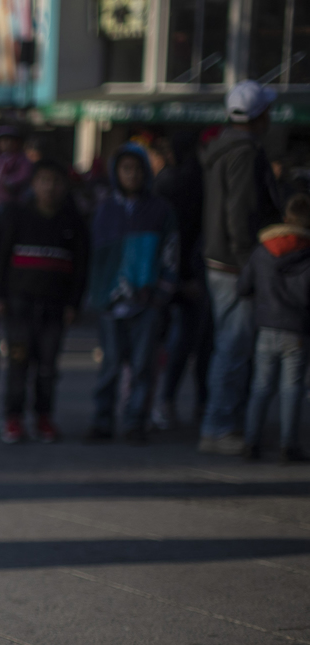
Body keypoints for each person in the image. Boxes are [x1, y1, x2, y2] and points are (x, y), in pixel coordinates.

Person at [199, 81, 282, 455]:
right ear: (259, 115)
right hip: (235, 265)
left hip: (221, 260)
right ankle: (219, 428)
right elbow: (242, 215)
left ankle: (222, 423)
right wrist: (250, 266)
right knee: (234, 348)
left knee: (229, 347)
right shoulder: (245, 153)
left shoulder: (222, 149)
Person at [85, 144, 178, 444]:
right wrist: (96, 294)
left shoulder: (160, 210)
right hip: (110, 301)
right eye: (126, 169)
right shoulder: (105, 211)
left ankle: (134, 421)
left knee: (142, 366)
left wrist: (163, 288)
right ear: (116, 173)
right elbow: (94, 257)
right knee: (110, 364)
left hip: (147, 299)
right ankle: (102, 420)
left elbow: (171, 252)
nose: (133, 175)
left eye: (138, 169)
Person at [0, 160, 89, 443]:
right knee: (18, 363)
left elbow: (82, 265)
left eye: (56, 182)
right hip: (19, 306)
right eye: (44, 181)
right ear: (33, 185)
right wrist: (0, 296)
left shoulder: (73, 221)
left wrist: (74, 303)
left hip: (55, 307)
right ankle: (13, 418)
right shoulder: (18, 216)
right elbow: (1, 259)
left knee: (47, 367)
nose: (50, 187)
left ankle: (44, 417)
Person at [238, 193, 310, 462]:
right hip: (297, 329)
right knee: (292, 389)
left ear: (286, 217)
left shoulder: (262, 250)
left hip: (266, 326)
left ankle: (251, 442)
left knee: (260, 386)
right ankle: (287, 445)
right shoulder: (306, 252)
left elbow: (243, 287)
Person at [151, 132, 211, 430]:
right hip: (189, 273)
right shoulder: (198, 180)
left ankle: (162, 401)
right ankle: (192, 403)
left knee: (170, 340)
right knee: (192, 339)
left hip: (171, 272)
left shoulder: (169, 182)